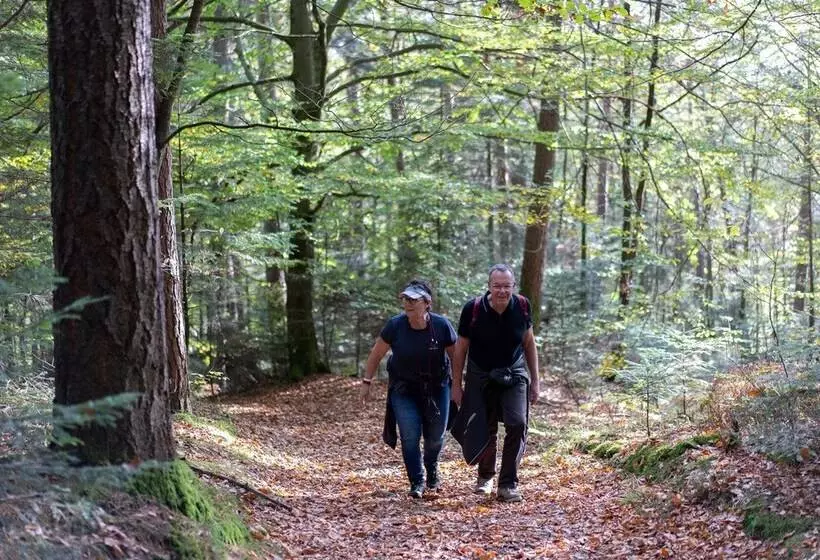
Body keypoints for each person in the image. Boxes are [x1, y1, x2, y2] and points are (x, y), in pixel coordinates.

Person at [450, 264, 539, 503]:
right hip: (481, 373)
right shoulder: (474, 309)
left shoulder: (522, 305)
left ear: (513, 286)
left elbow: (529, 343)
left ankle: (508, 484)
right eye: (497, 286)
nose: (502, 291)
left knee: (518, 423)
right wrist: (456, 384)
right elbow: (461, 348)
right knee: (484, 427)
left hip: (514, 372)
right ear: (489, 286)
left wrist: (536, 381)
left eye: (506, 286)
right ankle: (486, 476)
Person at [360, 280, 457, 499]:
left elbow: (456, 356)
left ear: (427, 303)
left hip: (437, 387)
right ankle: (417, 481)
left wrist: (459, 386)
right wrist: (367, 381)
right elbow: (376, 354)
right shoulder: (395, 326)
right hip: (404, 389)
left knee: (435, 436)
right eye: (406, 299)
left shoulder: (441, 326)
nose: (409, 303)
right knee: (410, 435)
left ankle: (431, 467)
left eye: (414, 299)